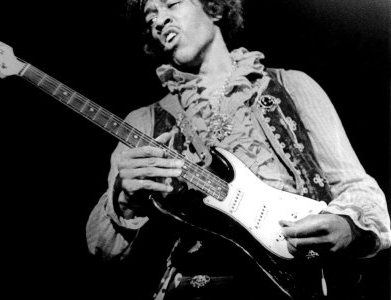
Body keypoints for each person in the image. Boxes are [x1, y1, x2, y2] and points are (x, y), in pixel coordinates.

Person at [86, 0, 391, 299]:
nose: (159, 21)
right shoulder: (143, 123)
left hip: (302, 282)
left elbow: (356, 186)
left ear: (215, 8)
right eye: (150, 18)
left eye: (171, 3)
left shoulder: (293, 85)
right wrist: (125, 200)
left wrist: (347, 225)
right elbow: (103, 251)